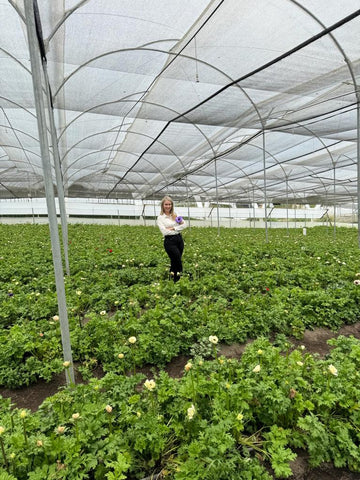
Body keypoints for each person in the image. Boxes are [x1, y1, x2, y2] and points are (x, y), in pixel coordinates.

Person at [157, 196, 186, 282]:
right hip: (169, 241)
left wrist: (173, 228)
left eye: (169, 204)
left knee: (175, 261)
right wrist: (177, 228)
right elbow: (165, 232)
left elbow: (184, 225)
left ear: (172, 205)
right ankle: (179, 277)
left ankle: (172, 279)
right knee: (177, 259)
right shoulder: (160, 218)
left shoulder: (175, 215)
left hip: (179, 240)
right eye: (166, 204)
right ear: (163, 205)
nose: (168, 206)